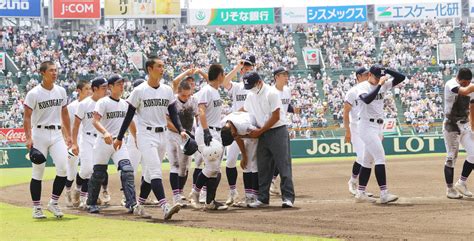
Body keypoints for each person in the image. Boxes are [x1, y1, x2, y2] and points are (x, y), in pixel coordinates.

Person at [114, 57, 185, 220]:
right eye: (159, 66)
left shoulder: (167, 90)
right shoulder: (139, 90)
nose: (162, 69)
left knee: (147, 174)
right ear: (149, 69)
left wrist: (181, 129)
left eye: (163, 66)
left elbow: (173, 112)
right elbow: (129, 116)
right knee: (155, 171)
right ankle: (165, 207)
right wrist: (119, 137)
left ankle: (139, 205)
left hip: (162, 135)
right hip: (145, 134)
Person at [86, 74, 145, 217]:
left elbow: (130, 122)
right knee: (99, 174)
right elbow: (95, 121)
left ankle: (131, 203)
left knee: (127, 170)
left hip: (119, 142)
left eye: (123, 83)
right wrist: (105, 133)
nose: (122, 86)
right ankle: (91, 202)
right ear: (110, 87)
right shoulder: (103, 102)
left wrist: (136, 138)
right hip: (103, 142)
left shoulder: (125, 104)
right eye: (119, 84)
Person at [24, 61, 72, 218]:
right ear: (42, 73)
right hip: (39, 133)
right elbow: (27, 117)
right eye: (51, 70)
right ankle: (37, 207)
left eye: (56, 70)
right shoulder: (34, 93)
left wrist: (69, 135)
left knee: (64, 169)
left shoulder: (61, 91)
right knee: (38, 171)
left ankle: (53, 203)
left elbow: (65, 113)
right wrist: (28, 138)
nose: (54, 73)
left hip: (57, 134)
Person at [241, 71, 295, 208]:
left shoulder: (271, 93)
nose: (250, 89)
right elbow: (244, 110)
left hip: (277, 130)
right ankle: (263, 198)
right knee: (263, 167)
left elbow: (276, 116)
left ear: (259, 82)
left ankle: (288, 198)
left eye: (252, 86)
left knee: (283, 165)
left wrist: (261, 130)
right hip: (262, 132)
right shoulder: (251, 95)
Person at [355, 65, 406, 204]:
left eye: (380, 77)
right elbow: (366, 99)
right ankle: (384, 194)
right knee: (380, 158)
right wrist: (379, 84)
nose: (379, 79)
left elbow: (402, 77)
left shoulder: (382, 83)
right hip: (366, 125)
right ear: (370, 74)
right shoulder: (363, 86)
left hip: (377, 126)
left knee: (367, 161)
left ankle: (360, 193)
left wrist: (386, 70)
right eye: (376, 76)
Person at [188, 63, 228, 211]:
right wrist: (206, 132)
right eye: (223, 74)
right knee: (211, 167)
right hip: (208, 131)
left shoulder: (214, 90)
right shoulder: (207, 91)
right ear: (219, 76)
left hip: (215, 131)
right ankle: (195, 192)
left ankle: (210, 202)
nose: (224, 77)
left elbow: (211, 80)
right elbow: (201, 111)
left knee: (215, 169)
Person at [221, 53, 255, 205]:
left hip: (249, 127)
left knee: (249, 164)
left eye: (248, 66)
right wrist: (237, 67)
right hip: (235, 128)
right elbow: (224, 81)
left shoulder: (256, 87)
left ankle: (250, 196)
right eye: (244, 66)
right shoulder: (237, 87)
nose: (245, 69)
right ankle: (233, 192)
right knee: (230, 162)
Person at [71, 77, 108, 209]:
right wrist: (74, 143)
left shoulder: (106, 103)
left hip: (100, 139)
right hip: (86, 138)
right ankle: (78, 188)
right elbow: (75, 126)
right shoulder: (84, 104)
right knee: (86, 169)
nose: (106, 90)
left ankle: (85, 198)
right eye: (103, 87)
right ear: (94, 89)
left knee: (95, 171)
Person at [442, 68, 474, 199]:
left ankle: (461, 182)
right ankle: (450, 189)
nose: (466, 84)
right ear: (458, 79)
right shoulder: (451, 84)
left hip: (465, 125)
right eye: (464, 82)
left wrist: (473, 127)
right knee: (451, 158)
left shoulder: (470, 86)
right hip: (451, 126)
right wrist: (469, 87)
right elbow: (465, 91)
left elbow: (472, 107)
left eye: (468, 82)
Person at [166, 80, 199, 207]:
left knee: (184, 168)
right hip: (173, 135)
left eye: (188, 95)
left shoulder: (193, 100)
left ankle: (180, 192)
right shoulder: (172, 101)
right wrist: (181, 131)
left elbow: (197, 116)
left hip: (188, 136)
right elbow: (167, 121)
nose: (186, 98)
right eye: (183, 95)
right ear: (178, 92)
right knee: (175, 165)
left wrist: (197, 132)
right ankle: (175, 197)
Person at [221, 111, 259, 206]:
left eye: (233, 135)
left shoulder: (243, 125)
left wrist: (241, 136)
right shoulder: (224, 124)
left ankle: (253, 197)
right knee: (245, 164)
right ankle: (248, 196)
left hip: (254, 135)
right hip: (244, 132)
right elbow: (237, 137)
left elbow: (258, 133)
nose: (234, 136)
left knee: (252, 165)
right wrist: (244, 155)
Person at [65, 80, 92, 207]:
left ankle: (83, 197)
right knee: (71, 170)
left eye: (90, 88)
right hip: (74, 143)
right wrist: (68, 139)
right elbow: (64, 125)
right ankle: (68, 191)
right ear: (79, 91)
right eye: (86, 88)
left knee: (88, 170)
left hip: (87, 141)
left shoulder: (93, 105)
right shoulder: (71, 107)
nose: (89, 91)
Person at [343, 67, 369, 196]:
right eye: (365, 75)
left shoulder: (370, 90)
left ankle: (360, 187)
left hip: (367, 126)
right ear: (358, 77)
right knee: (362, 156)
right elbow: (346, 112)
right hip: (355, 127)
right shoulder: (352, 92)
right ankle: (353, 182)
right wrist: (347, 131)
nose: (368, 77)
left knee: (368, 157)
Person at [270, 67, 295, 196]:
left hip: (283, 126)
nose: (286, 77)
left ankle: (272, 182)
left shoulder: (287, 90)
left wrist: (295, 109)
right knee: (274, 158)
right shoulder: (271, 92)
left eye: (287, 75)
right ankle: (269, 182)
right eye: (283, 75)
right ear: (276, 77)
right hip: (271, 127)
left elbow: (286, 106)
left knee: (282, 157)